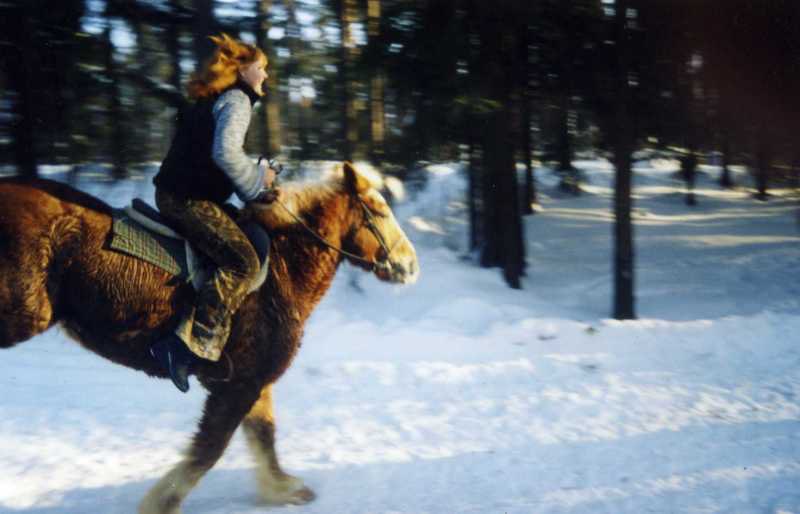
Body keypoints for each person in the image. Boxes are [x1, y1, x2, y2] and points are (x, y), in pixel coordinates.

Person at [150, 33, 278, 393]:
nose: (265, 76)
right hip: (186, 200)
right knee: (244, 263)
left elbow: (218, 157)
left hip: (178, 193)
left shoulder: (215, 98)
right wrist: (257, 184)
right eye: (262, 69)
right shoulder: (238, 99)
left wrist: (256, 178)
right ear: (243, 69)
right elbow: (224, 153)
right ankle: (183, 346)